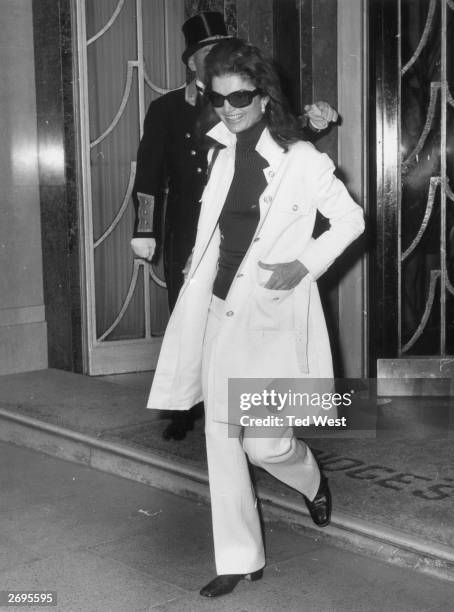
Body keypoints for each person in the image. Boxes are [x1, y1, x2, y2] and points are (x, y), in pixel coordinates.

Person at [146, 38, 364, 598]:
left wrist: (305, 263)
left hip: (270, 314)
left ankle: (309, 478)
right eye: (219, 100)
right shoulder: (219, 150)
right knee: (221, 438)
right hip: (220, 310)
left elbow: (351, 220)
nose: (229, 109)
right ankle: (240, 558)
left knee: (263, 445)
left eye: (240, 96)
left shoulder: (303, 160)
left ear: (264, 96)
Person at [131, 11, 338, 442]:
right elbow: (148, 173)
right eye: (207, 53)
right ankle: (188, 404)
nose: (216, 58)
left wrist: (312, 126)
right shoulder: (168, 107)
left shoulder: (240, 95)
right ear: (192, 63)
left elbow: (273, 143)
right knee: (189, 318)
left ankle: (247, 417)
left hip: (237, 227)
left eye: (222, 49)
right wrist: (144, 230)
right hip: (191, 225)